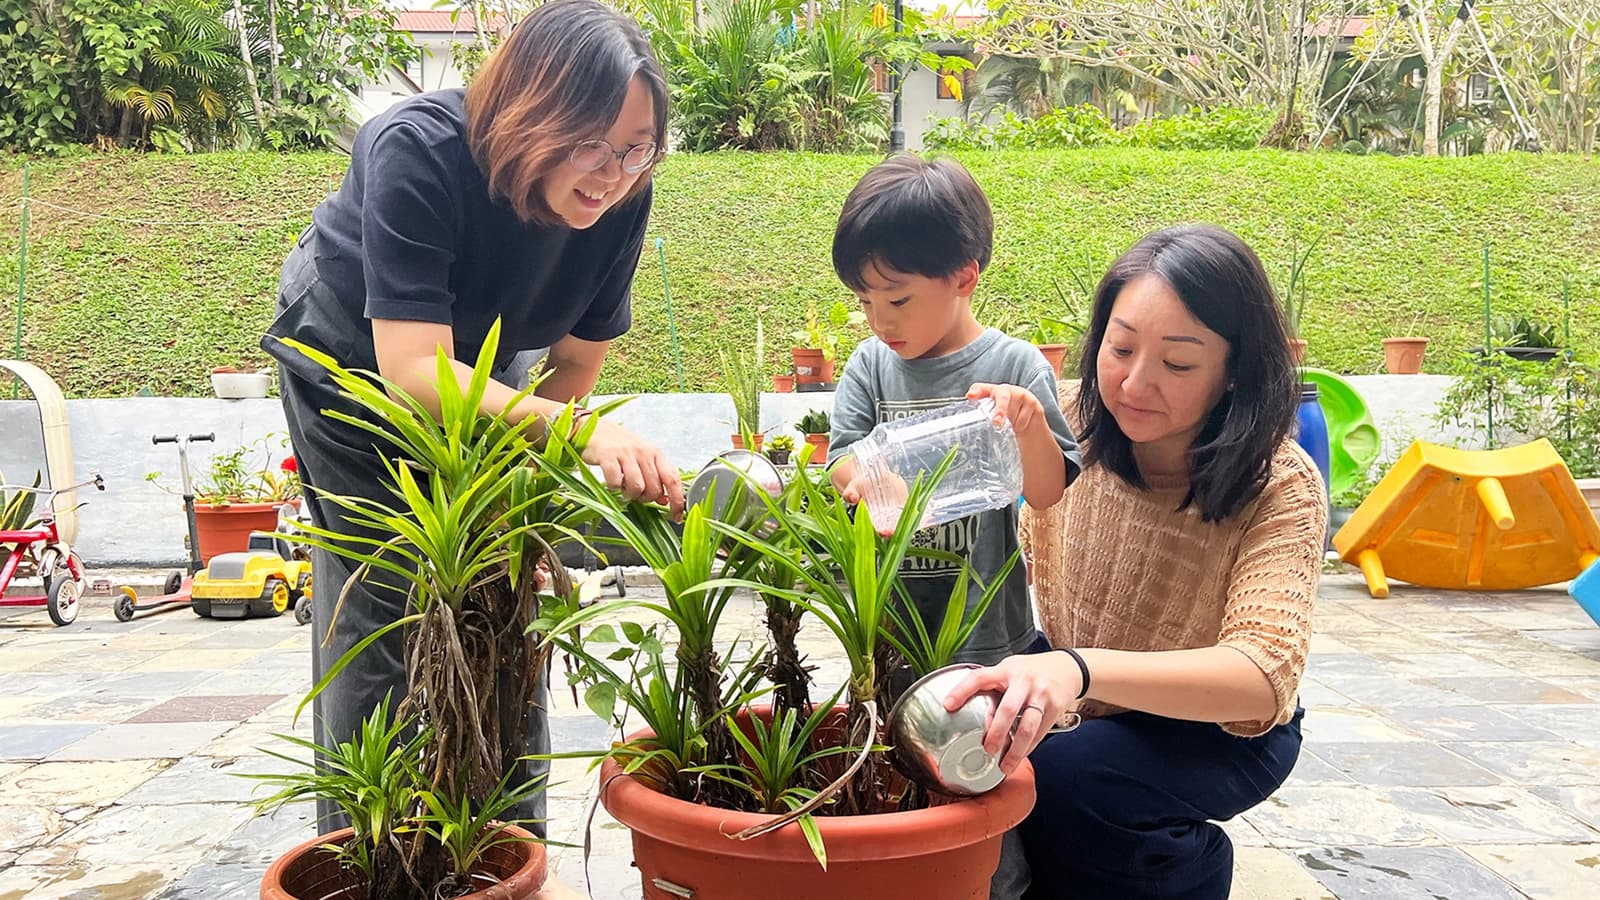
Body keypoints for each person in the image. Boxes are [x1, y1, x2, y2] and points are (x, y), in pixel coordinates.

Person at [261, 0, 684, 865]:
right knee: (384, 596)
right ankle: (364, 858)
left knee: (501, 585)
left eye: (637, 147)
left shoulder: (623, 198)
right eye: (593, 143)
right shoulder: (414, 149)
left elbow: (572, 367)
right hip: (355, 363)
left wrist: (523, 505)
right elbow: (412, 368)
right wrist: (570, 431)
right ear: (535, 111)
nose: (614, 172)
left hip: (489, 369)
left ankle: (505, 853)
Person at [944, 224, 1328, 899]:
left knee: (1071, 779)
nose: (1135, 382)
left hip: (1217, 729)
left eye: (1178, 364)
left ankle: (1188, 873)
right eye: (1120, 348)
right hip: (1083, 684)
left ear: (1235, 368)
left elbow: (1263, 676)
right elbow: (936, 482)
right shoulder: (1067, 429)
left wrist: (1077, 668)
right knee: (966, 725)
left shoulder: (1281, 485)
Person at [826, 153, 1081, 669]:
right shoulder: (870, 366)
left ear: (964, 278)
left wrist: (1028, 425)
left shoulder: (1015, 365)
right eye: (864, 301)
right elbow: (839, 457)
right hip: (892, 630)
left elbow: (1047, 491)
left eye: (897, 301)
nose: (879, 321)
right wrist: (874, 481)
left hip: (988, 634)